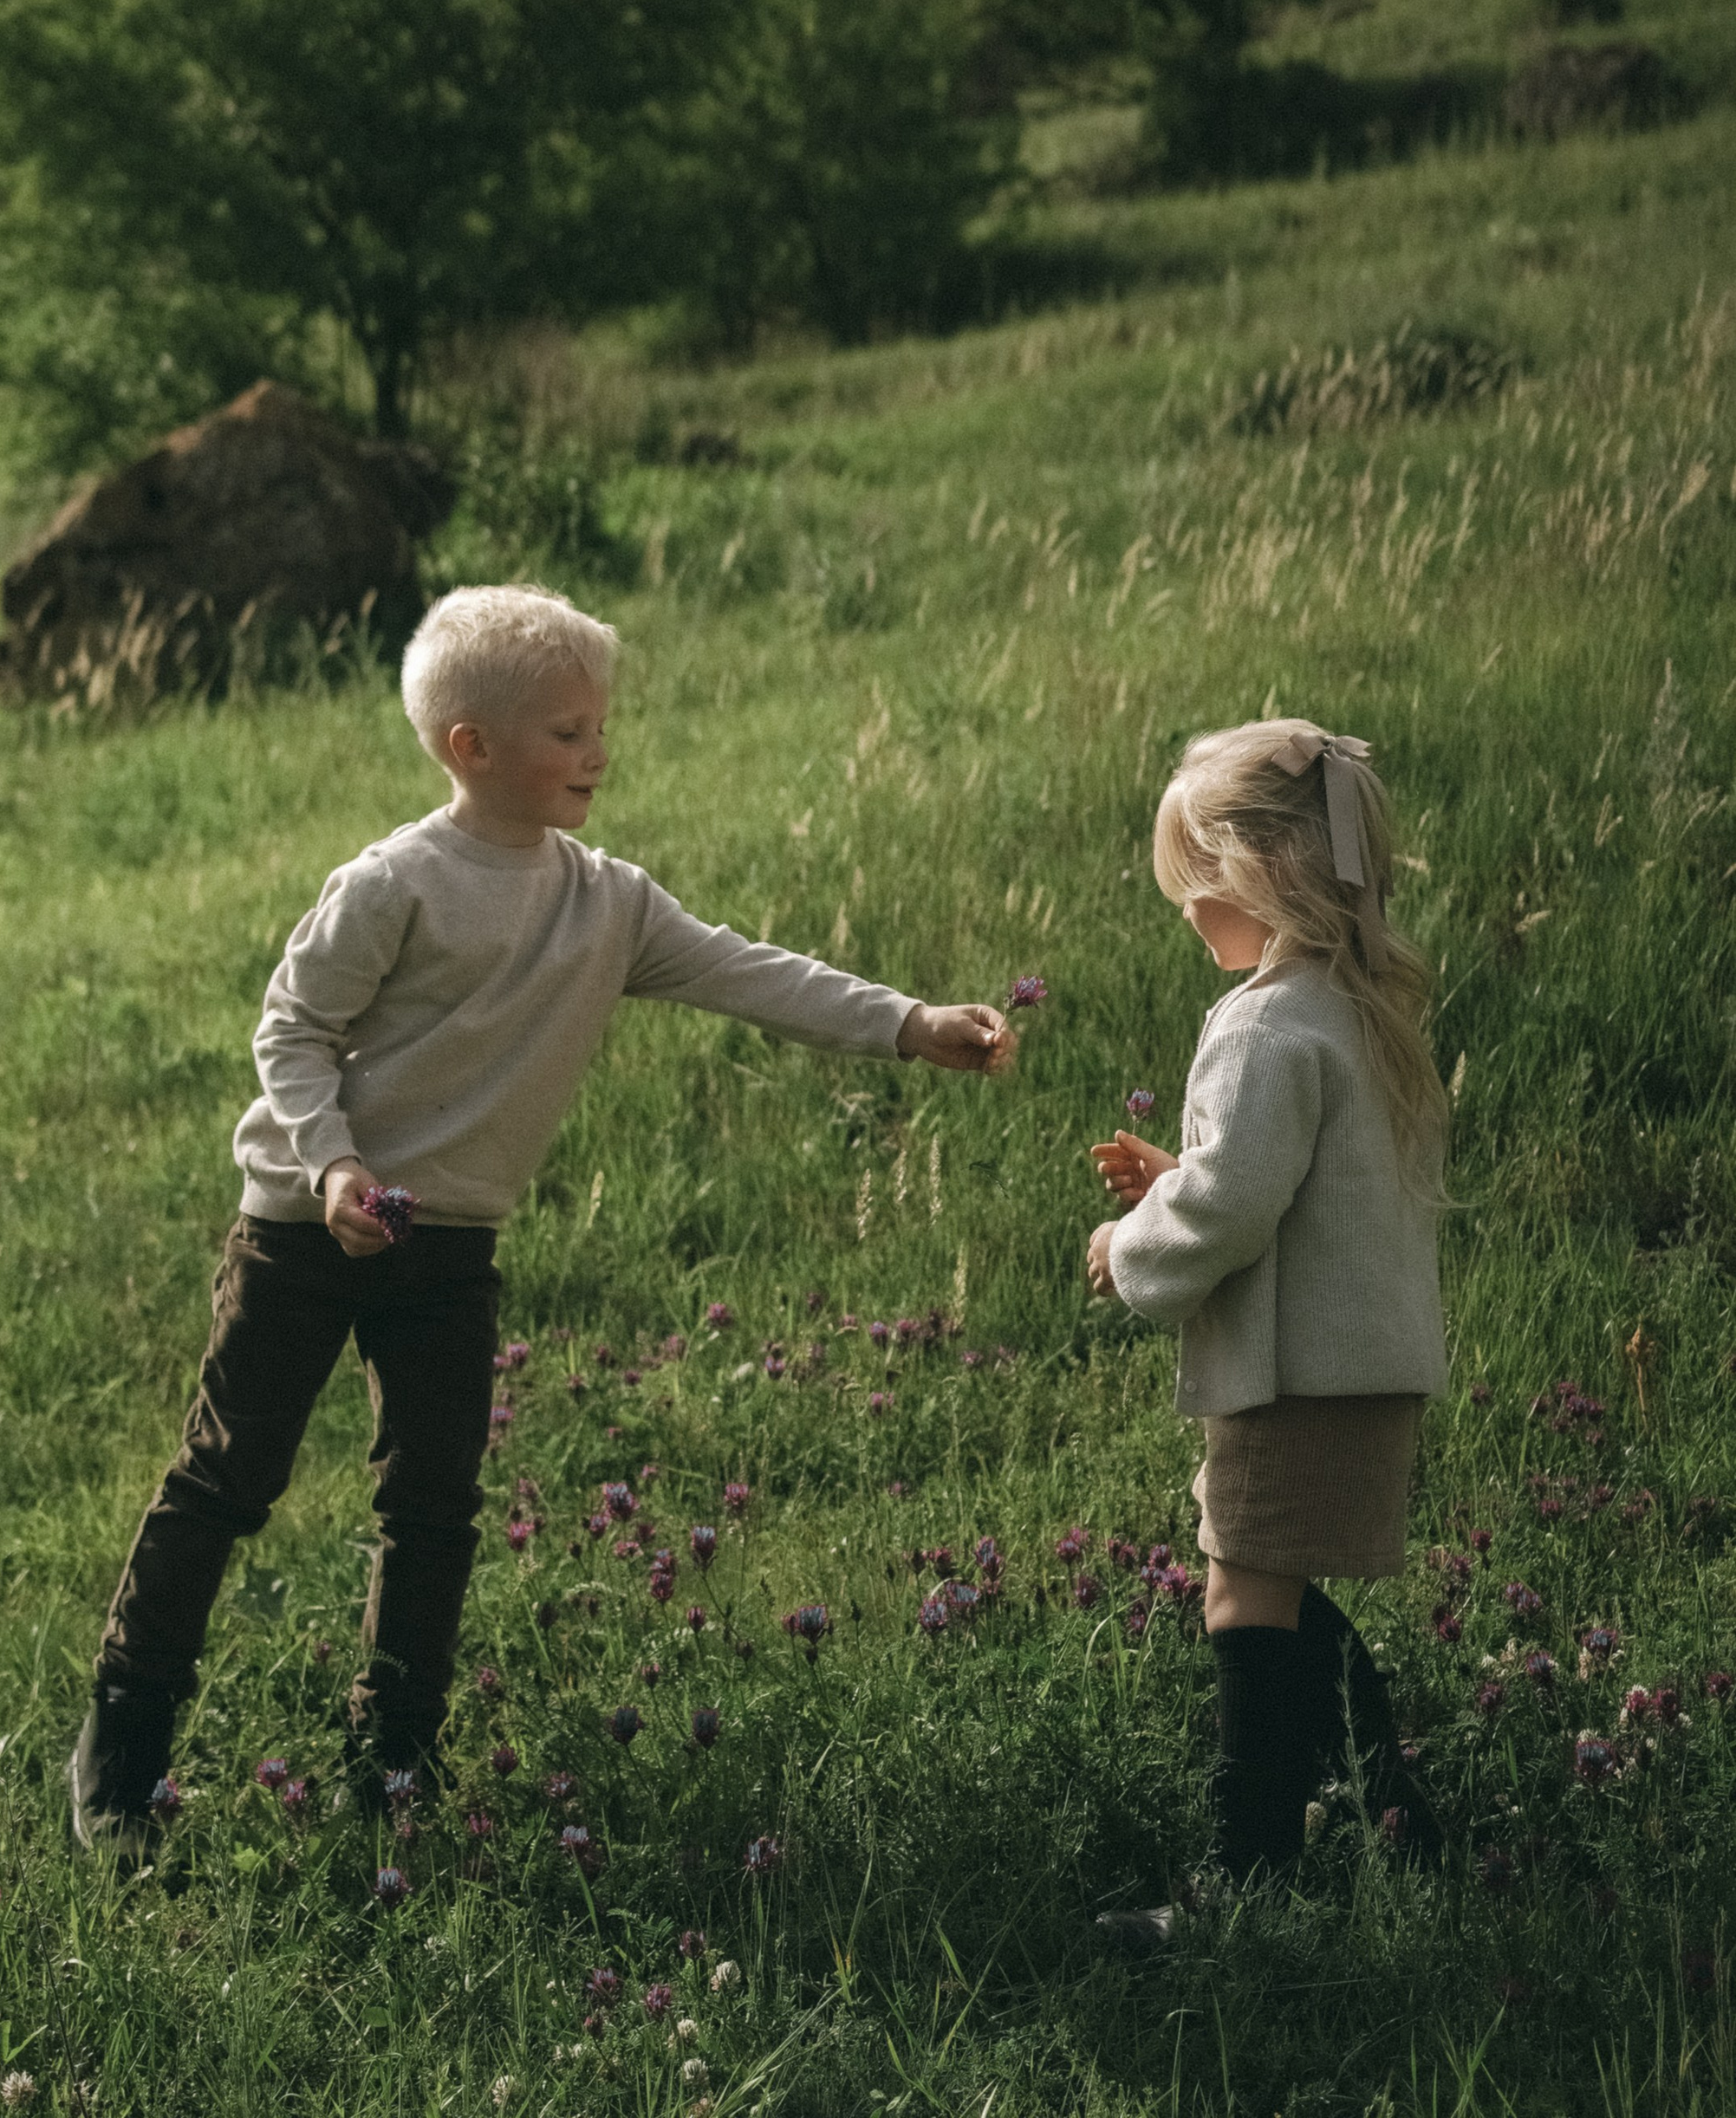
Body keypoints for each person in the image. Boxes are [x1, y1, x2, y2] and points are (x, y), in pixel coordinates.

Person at [70, 581, 1018, 1856]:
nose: (598, 752)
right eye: (568, 731)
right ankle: (123, 1751)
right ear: (473, 748)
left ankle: (394, 1759)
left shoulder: (608, 903)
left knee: (434, 1505)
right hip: (308, 1229)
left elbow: (751, 972)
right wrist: (335, 1169)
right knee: (230, 1479)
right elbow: (290, 1030)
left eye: (599, 726)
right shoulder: (393, 883)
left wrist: (911, 1025)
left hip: (448, 1245)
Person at [1083, 720, 1447, 1942]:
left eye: (1197, 885)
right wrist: (1180, 1173)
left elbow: (1235, 1208)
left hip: (1292, 1377)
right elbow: (1293, 1188)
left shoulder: (1258, 1025)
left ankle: (1246, 1884)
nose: (1187, 914)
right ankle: (1390, 1805)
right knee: (1271, 1585)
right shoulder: (1359, 1006)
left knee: (1244, 1593)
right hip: (1362, 1364)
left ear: (1260, 877)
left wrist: (1132, 1242)